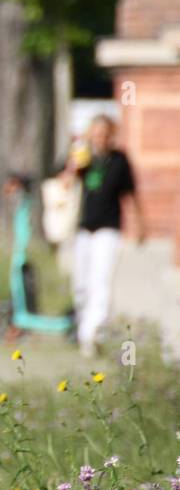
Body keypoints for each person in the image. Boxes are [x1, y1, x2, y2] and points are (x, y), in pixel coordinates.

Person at [62, 115, 144, 357]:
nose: (101, 138)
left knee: (101, 280)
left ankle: (93, 334)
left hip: (109, 228)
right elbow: (64, 185)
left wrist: (140, 225)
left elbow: (131, 194)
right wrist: (73, 167)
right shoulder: (84, 158)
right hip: (84, 228)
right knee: (81, 283)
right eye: (96, 134)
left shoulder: (119, 160)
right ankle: (83, 328)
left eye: (105, 134)